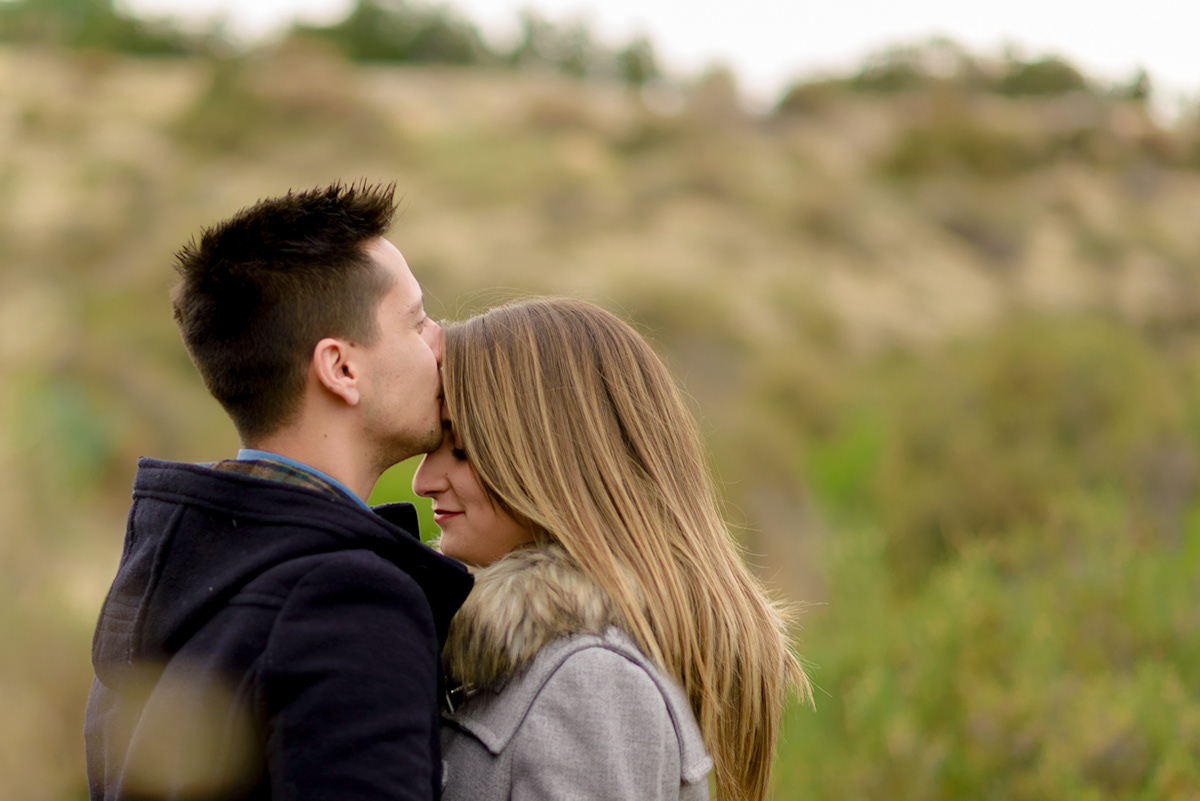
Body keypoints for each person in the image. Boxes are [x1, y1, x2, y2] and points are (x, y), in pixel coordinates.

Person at [85, 181, 473, 801]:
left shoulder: (155, 598)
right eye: (417, 321)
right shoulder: (348, 601)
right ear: (341, 368)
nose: (441, 341)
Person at [413, 297, 813, 801]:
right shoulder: (510, 655)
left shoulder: (592, 683)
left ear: (556, 458)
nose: (423, 481)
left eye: (459, 448)